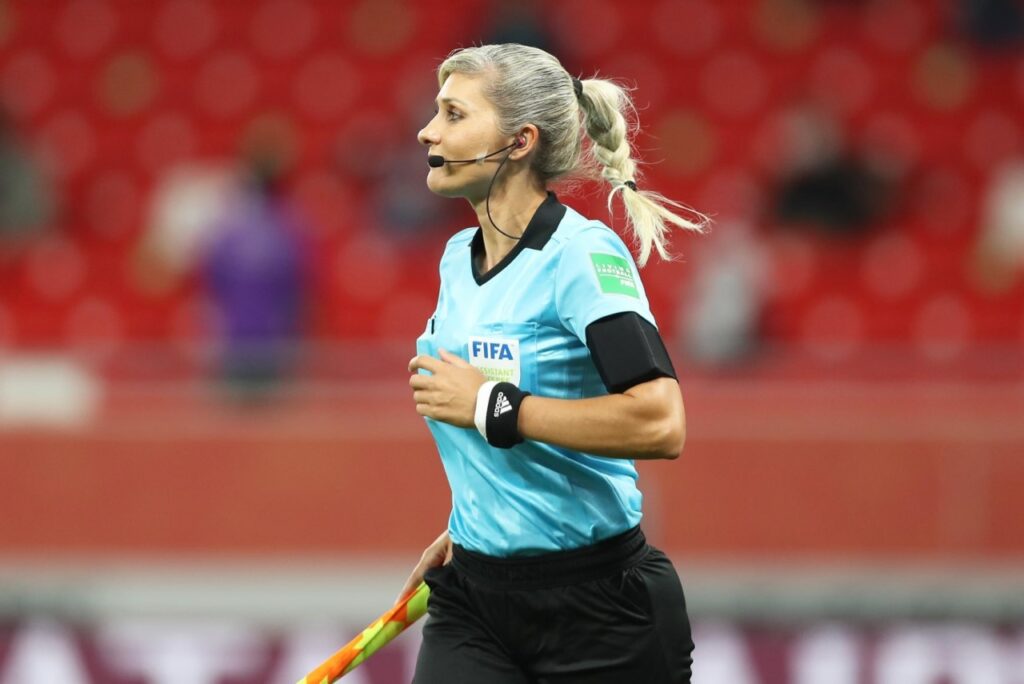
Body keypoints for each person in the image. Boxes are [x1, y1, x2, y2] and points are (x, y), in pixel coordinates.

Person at [399, 44, 706, 683]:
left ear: (519, 142)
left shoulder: (583, 255)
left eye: (454, 114)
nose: (428, 131)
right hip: (475, 595)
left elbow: (660, 422)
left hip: (601, 611)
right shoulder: (457, 256)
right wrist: (486, 520)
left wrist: (491, 405)